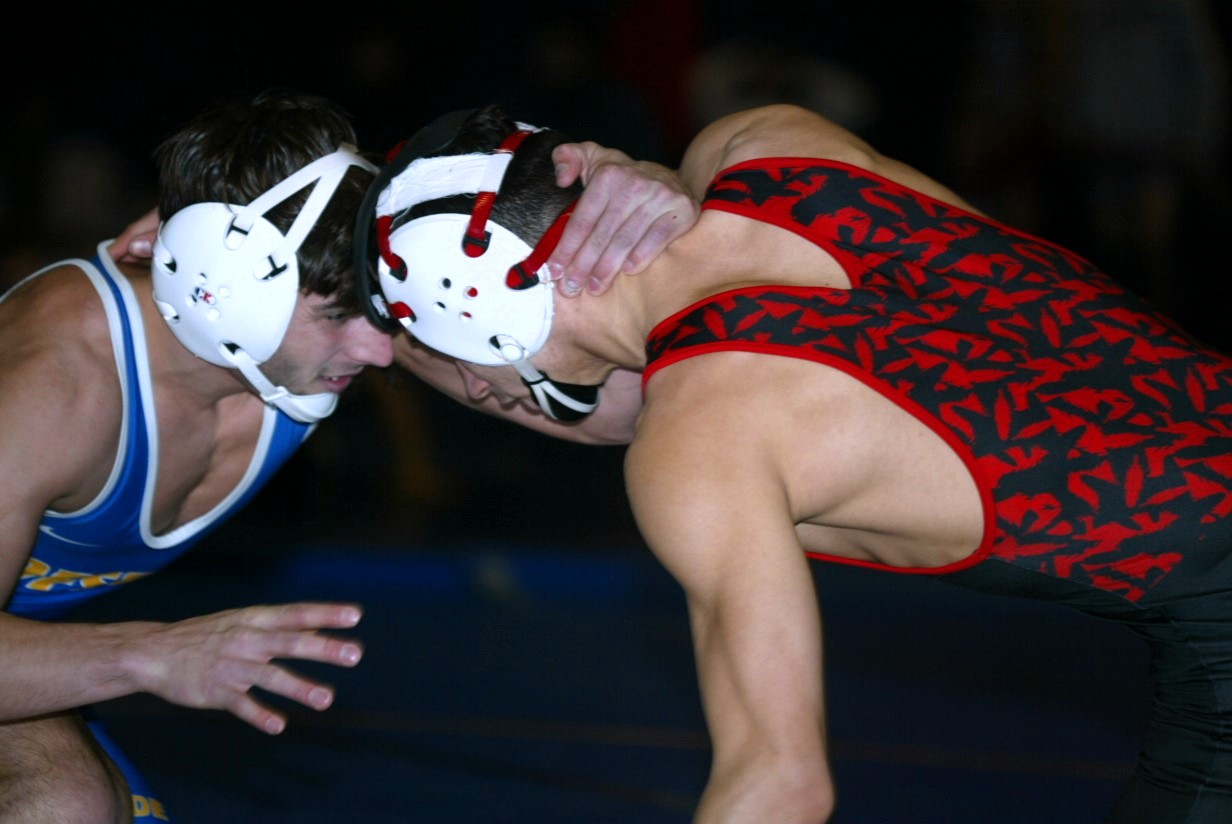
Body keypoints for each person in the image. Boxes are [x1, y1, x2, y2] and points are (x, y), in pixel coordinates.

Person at [361, 103, 1232, 823]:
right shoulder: (768, 142)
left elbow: (780, 788)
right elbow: (629, 386)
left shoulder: (704, 442)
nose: (474, 391)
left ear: (483, 320)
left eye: (453, 363)